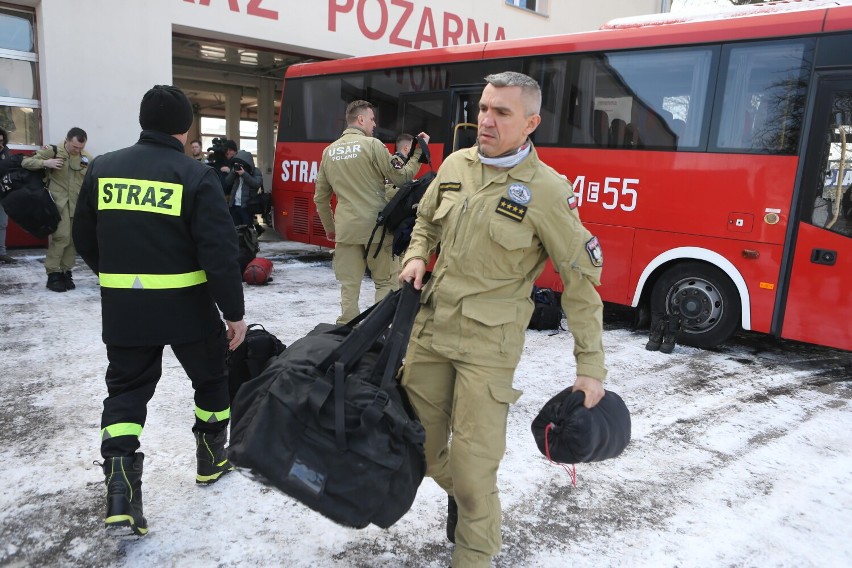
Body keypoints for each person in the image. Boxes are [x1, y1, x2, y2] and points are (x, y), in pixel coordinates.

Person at [398, 71, 607, 568]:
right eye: (484, 108)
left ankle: (475, 549)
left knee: (473, 470)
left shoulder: (548, 191)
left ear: (531, 123)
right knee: (419, 452)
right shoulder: (455, 165)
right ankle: (475, 503)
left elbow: (581, 283)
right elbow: (425, 220)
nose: (485, 120)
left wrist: (590, 368)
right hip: (430, 333)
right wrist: (416, 255)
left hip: (487, 349)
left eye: (501, 113)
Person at [72, 85, 248, 536]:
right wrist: (233, 312)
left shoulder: (104, 169)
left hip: (126, 310)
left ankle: (120, 497)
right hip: (188, 309)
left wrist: (117, 279)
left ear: (142, 120)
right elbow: (219, 251)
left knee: (126, 395)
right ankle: (211, 462)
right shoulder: (194, 175)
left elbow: (85, 237)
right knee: (211, 381)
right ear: (184, 126)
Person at [314, 100, 429, 323]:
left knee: (349, 286)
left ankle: (346, 334)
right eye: (372, 119)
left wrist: (331, 229)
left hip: (346, 231)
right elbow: (402, 177)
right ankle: (376, 332)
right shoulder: (373, 146)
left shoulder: (328, 152)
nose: (374, 124)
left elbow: (320, 198)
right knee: (385, 283)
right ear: (361, 119)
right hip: (376, 229)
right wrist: (417, 154)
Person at [22, 127, 92, 291]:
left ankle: (65, 272)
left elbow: (90, 178)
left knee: (73, 240)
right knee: (62, 237)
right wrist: (45, 163)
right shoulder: (52, 151)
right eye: (74, 147)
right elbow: (26, 162)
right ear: (66, 140)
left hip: (76, 205)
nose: (77, 150)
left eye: (80, 147)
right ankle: (53, 273)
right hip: (56, 204)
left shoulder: (86, 158)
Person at [223, 148, 264, 231]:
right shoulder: (236, 171)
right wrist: (233, 172)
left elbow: (256, 184)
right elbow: (227, 181)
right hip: (234, 205)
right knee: (235, 229)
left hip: (246, 206)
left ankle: (248, 243)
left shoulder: (255, 171)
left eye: (240, 164)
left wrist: (244, 174)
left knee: (247, 229)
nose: (239, 165)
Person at [0, 127, 14, 264]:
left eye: (2, 141)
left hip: (2, 193)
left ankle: (2, 253)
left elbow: (9, 167)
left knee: (2, 224)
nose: (0, 143)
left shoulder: (6, 152)